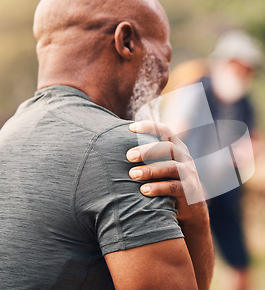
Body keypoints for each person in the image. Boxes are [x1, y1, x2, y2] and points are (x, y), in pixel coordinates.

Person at [0, 0, 214, 289]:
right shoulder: (123, 149)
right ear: (125, 42)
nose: (164, 80)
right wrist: (198, 217)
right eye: (164, 59)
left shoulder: (7, 136)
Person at [170, 30, 261, 290]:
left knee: (241, 265)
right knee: (189, 268)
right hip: (194, 195)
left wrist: (250, 151)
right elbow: (173, 134)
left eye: (247, 70)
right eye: (238, 68)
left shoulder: (244, 102)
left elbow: (256, 140)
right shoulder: (196, 91)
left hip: (227, 195)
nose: (242, 75)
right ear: (223, 63)